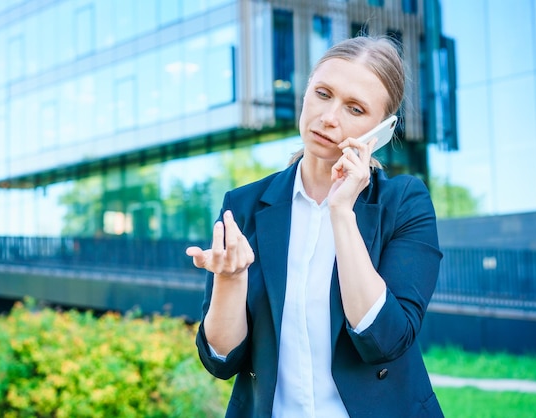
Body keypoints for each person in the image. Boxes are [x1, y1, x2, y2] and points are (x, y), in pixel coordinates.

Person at [186, 35, 444, 418]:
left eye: (355, 109)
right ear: (306, 94)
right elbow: (222, 361)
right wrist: (231, 279)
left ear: (383, 130)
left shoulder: (405, 202)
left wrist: (342, 211)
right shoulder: (243, 205)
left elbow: (385, 339)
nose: (330, 117)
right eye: (323, 94)